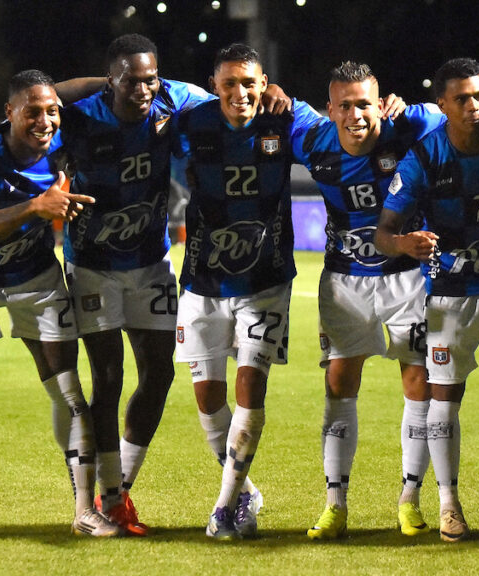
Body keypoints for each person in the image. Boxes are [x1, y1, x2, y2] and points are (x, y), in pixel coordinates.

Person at [0, 70, 119, 541]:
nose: (45, 121)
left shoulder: (58, 132)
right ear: (8, 113)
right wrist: (35, 207)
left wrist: (122, 80)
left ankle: (84, 510)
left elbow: (80, 92)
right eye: (32, 112)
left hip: (33, 276)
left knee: (68, 390)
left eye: (52, 112)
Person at [58, 33, 220, 535]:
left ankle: (119, 492)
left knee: (160, 374)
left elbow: (234, 94)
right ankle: (106, 498)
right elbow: (40, 96)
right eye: (132, 81)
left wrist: (273, 92)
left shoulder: (173, 98)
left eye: (152, 78)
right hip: (93, 264)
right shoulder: (81, 115)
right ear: (110, 80)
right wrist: (106, 82)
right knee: (107, 379)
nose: (145, 89)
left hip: (151, 262)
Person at [376, 58, 479, 542]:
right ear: (442, 105)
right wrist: (403, 243)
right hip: (451, 295)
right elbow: (384, 232)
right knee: (445, 398)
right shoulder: (423, 157)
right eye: (461, 99)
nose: (473, 106)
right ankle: (449, 505)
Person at [289, 61, 445, 540]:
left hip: (408, 276)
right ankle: (335, 504)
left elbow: (464, 113)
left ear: (380, 104)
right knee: (339, 383)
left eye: (364, 105)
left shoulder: (412, 125)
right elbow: (271, 104)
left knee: (418, 381)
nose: (355, 115)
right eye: (345, 106)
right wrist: (275, 92)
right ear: (330, 109)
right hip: (344, 279)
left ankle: (410, 500)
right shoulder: (311, 139)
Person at [174, 42, 301, 540]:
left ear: (264, 82)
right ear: (214, 86)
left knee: (250, 386)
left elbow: (343, 130)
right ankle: (246, 492)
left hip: (264, 283)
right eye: (229, 83)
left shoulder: (286, 121)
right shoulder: (191, 121)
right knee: (208, 400)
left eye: (250, 82)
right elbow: (137, 94)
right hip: (202, 280)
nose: (240, 93)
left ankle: (224, 508)